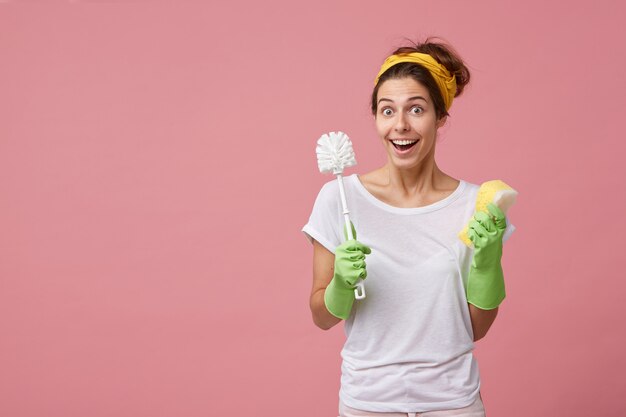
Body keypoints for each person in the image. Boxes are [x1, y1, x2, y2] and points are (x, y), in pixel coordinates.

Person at [302, 37, 516, 417]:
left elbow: (475, 328)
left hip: (453, 403)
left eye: (416, 109)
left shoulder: (474, 204)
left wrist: (488, 263)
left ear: (440, 117)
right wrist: (340, 285)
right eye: (387, 111)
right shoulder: (339, 198)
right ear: (376, 118)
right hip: (368, 402)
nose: (400, 125)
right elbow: (322, 317)